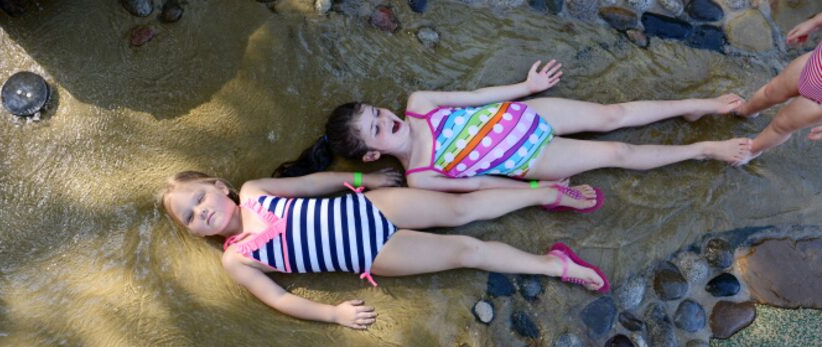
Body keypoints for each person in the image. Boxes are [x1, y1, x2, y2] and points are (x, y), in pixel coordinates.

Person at [161, 170, 609, 329]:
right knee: (465, 250)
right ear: (195, 233)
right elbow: (279, 299)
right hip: (376, 252)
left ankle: (544, 194)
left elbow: (313, 184)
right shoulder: (235, 259)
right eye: (190, 216)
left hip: (371, 206)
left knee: (460, 210)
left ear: (219, 186)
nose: (202, 212)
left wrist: (363, 180)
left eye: (200, 198)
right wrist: (333, 313)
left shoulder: (255, 190)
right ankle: (555, 264)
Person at [275, 60, 751, 191]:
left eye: (377, 112)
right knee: (617, 155)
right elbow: (482, 184)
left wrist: (526, 87)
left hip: (527, 115)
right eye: (377, 129)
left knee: (613, 116)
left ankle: (696, 104)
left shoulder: (419, 104)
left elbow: (478, 98)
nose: (387, 119)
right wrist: (538, 192)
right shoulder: (420, 176)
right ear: (373, 154)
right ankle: (703, 149)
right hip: (530, 160)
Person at [734, 12, 822, 164]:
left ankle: (752, 149)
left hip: (818, 102)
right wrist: (814, 22)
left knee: (782, 124)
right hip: (815, 64)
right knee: (771, 91)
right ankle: (746, 110)